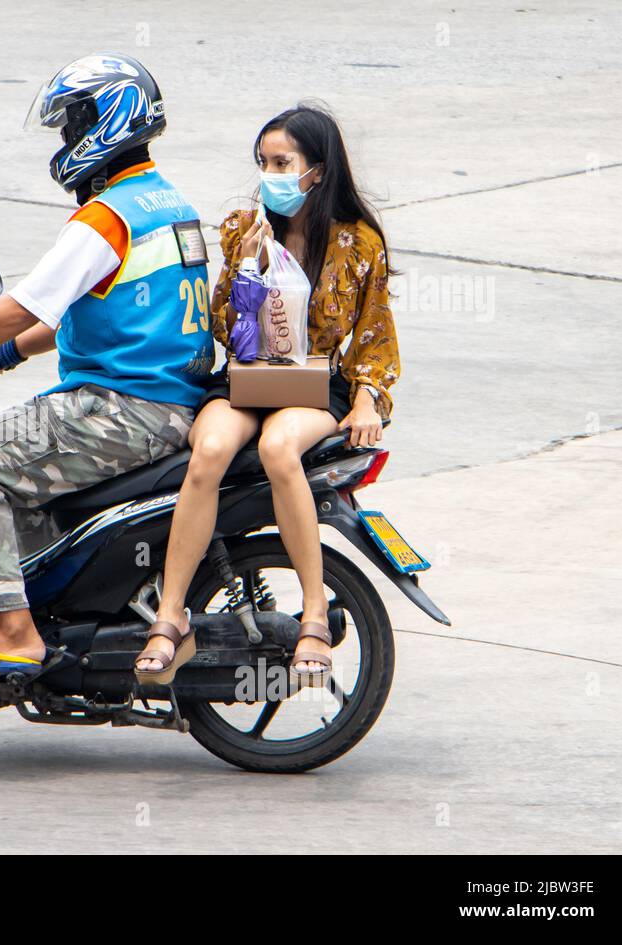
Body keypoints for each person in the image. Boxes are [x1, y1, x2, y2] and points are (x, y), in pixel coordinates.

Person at [0, 52, 216, 679]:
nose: (65, 140)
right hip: (170, 401)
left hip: (122, 407)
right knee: (19, 482)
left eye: (72, 124)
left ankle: (12, 632)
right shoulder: (169, 204)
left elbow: (22, 304)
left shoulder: (106, 217)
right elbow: (103, 310)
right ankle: (56, 617)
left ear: (109, 120)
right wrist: (2, 354)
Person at [133, 103, 401, 687]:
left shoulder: (359, 245)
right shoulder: (242, 229)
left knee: (281, 450)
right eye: (264, 162)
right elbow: (225, 330)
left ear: (318, 170)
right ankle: (171, 616)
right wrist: (247, 270)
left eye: (283, 162)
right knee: (206, 454)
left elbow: (376, 336)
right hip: (250, 376)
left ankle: (312, 617)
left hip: (312, 384)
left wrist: (364, 402)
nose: (270, 175)